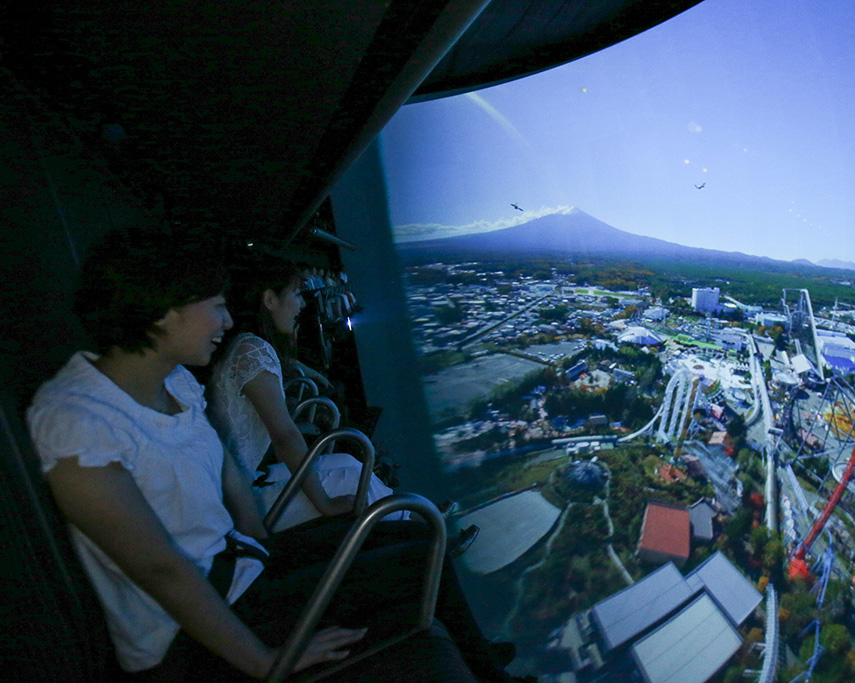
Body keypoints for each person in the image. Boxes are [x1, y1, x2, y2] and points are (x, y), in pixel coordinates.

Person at [27, 226, 513, 681]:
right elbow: (160, 570)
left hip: (240, 566)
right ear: (166, 310)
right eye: (216, 306)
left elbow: (226, 470)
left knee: (420, 542)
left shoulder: (174, 382)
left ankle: (487, 665)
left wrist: (266, 545)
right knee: (415, 559)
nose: (228, 320)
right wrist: (267, 661)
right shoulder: (77, 421)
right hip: (184, 630)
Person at [207, 252, 405, 531]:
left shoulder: (247, 345)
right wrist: (324, 502)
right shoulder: (253, 351)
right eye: (297, 294)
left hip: (240, 480)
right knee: (352, 482)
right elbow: (284, 436)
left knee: (348, 461)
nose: (301, 305)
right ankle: (418, 532)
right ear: (270, 300)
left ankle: (411, 520)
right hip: (239, 500)